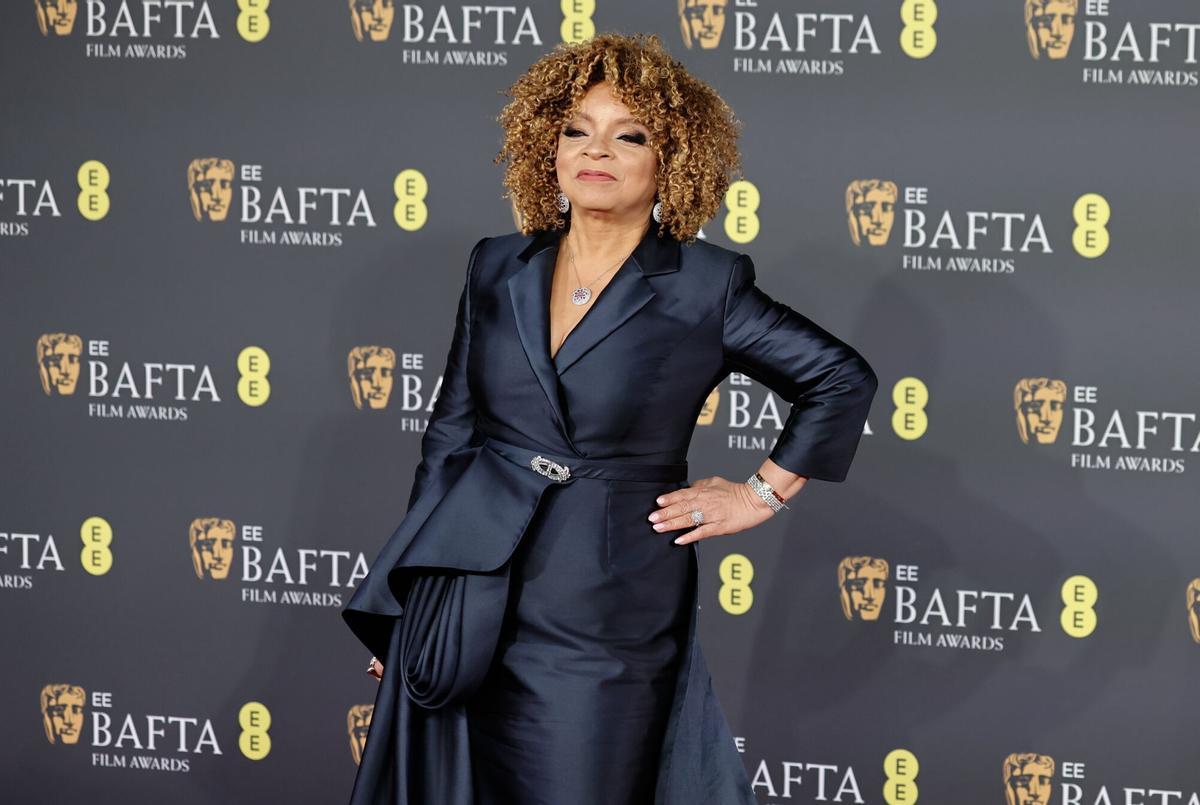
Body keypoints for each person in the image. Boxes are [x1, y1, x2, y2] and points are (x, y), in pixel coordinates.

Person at [342, 32, 878, 805]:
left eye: (630, 135)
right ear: (547, 147)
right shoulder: (497, 264)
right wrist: (408, 599)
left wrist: (759, 494)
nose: (596, 150)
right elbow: (451, 438)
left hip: (608, 605)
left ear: (672, 160)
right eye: (576, 130)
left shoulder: (705, 284)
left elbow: (839, 377)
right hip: (471, 590)